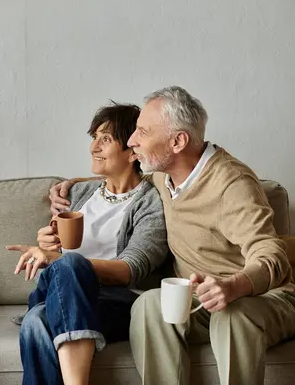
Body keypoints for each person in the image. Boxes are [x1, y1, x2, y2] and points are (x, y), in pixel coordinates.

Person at [49, 86, 295, 385]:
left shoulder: (232, 185)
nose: (132, 141)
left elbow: (271, 253)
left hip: (258, 299)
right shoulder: (165, 175)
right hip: (198, 301)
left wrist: (233, 286)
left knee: (233, 315)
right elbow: (124, 176)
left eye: (142, 132)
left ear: (178, 141)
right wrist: (69, 185)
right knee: (150, 304)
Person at [7, 102, 169, 385]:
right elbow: (59, 253)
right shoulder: (79, 192)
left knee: (36, 321)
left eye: (105, 139)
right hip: (55, 295)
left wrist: (60, 259)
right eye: (94, 137)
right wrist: (51, 245)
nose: (94, 147)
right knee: (66, 267)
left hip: (115, 301)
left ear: (133, 150)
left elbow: (132, 270)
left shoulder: (149, 203)